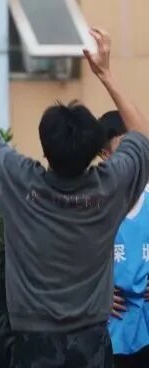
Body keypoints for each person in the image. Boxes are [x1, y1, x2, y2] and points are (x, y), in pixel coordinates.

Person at [0, 21, 149, 368]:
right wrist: (105, 73)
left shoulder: (19, 183)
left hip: (33, 344)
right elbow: (142, 136)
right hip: (93, 342)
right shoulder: (111, 186)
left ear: (45, 148)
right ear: (95, 151)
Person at [100, 110, 149, 367]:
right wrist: (97, 296)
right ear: (105, 154)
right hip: (110, 334)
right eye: (124, 148)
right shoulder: (93, 205)